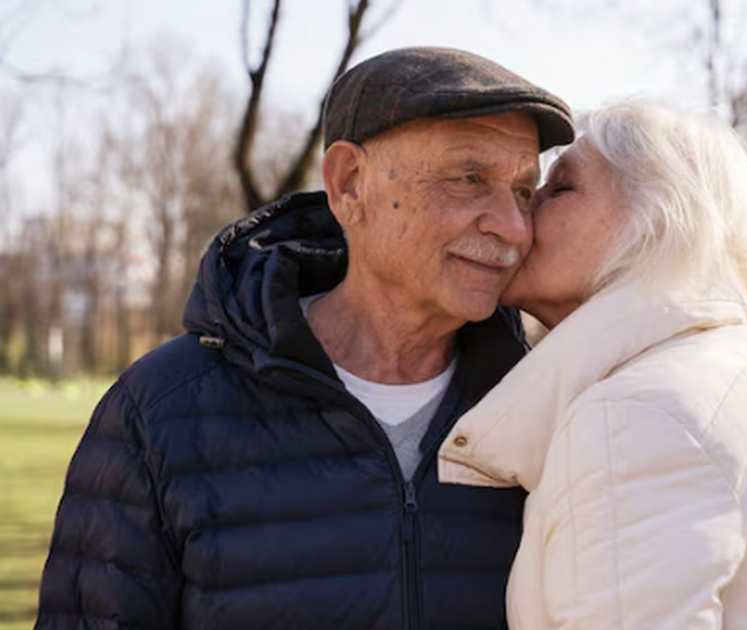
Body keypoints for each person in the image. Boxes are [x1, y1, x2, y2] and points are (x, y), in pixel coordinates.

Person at [35, 47, 574, 630]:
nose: (514, 227)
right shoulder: (159, 410)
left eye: (524, 191)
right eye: (469, 178)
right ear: (349, 184)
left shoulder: (552, 411)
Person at [438, 103, 747, 629]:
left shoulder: (642, 415)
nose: (521, 213)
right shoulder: (714, 379)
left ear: (660, 225)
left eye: (560, 189)